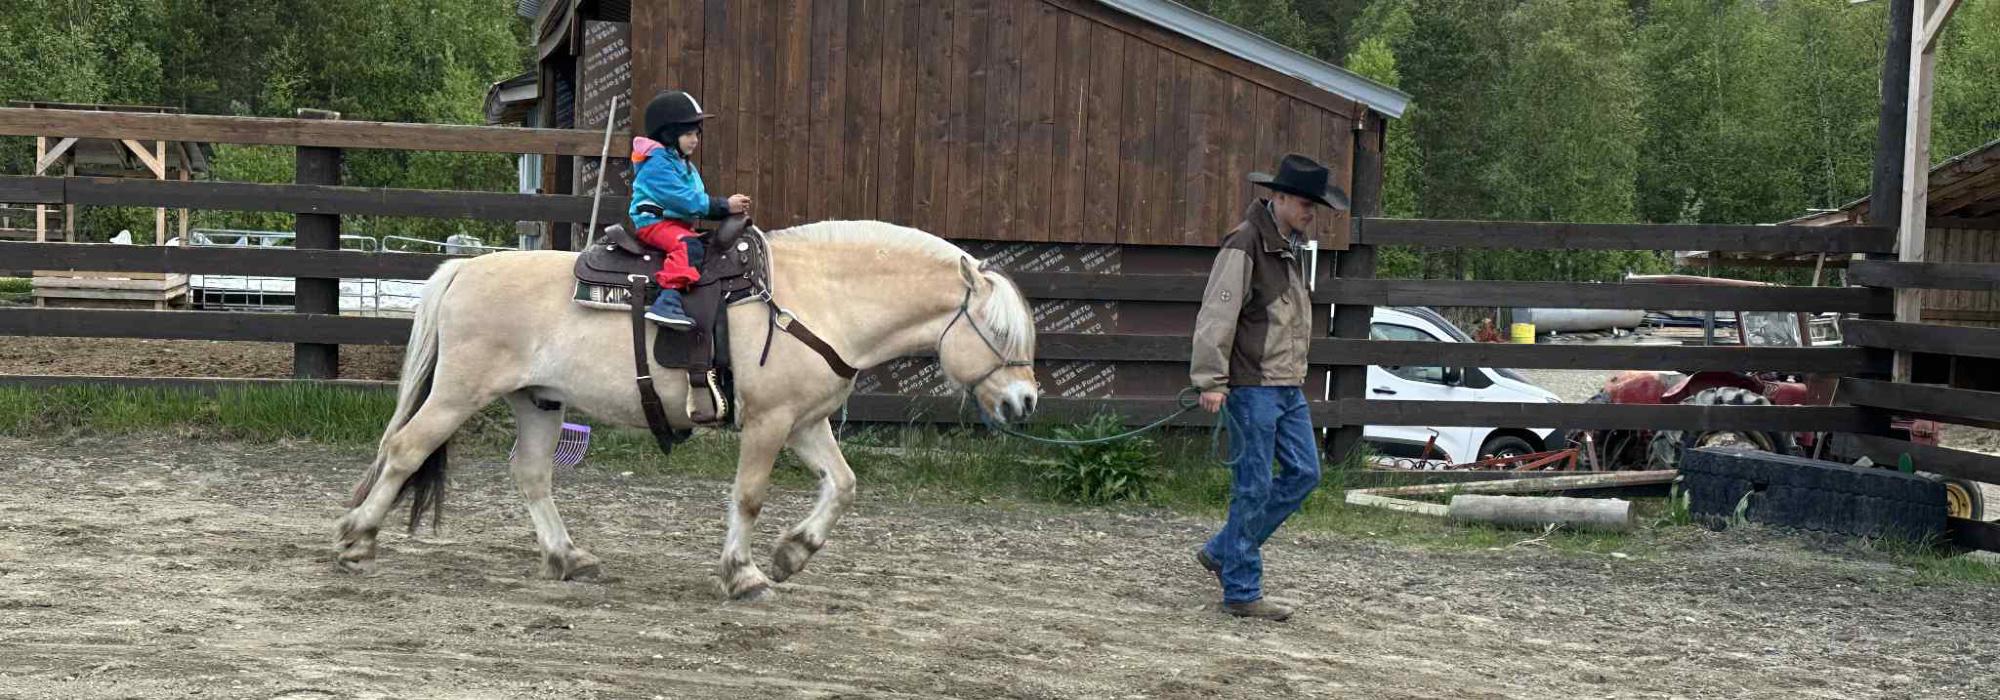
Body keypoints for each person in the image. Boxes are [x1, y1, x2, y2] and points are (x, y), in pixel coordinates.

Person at [1189, 153, 1350, 622]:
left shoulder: (1286, 246)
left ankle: (1224, 550)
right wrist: (1211, 380)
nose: (1309, 213)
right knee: (1253, 486)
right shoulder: (1245, 243)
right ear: (1277, 198)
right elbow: (1216, 315)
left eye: (1313, 206)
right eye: (1304, 204)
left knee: (1305, 474)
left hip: (1285, 384)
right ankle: (1241, 589)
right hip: (1252, 385)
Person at [630, 90, 751, 329]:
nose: (694, 139)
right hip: (653, 224)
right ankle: (668, 299)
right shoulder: (657, 165)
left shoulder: (680, 161)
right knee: (687, 245)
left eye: (696, 133)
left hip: (674, 224)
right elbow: (685, 200)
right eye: (687, 134)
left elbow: (695, 197)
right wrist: (724, 206)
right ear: (668, 134)